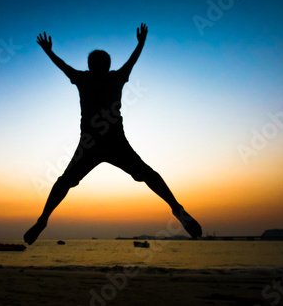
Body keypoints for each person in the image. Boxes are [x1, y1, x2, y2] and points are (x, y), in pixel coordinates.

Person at [24, 23, 202, 245]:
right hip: (114, 142)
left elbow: (63, 66)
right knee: (147, 174)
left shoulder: (83, 78)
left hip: (92, 143)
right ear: (107, 66)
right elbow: (132, 61)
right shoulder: (115, 77)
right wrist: (141, 43)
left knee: (65, 181)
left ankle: (43, 219)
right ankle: (177, 208)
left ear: (90, 66)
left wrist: (48, 51)